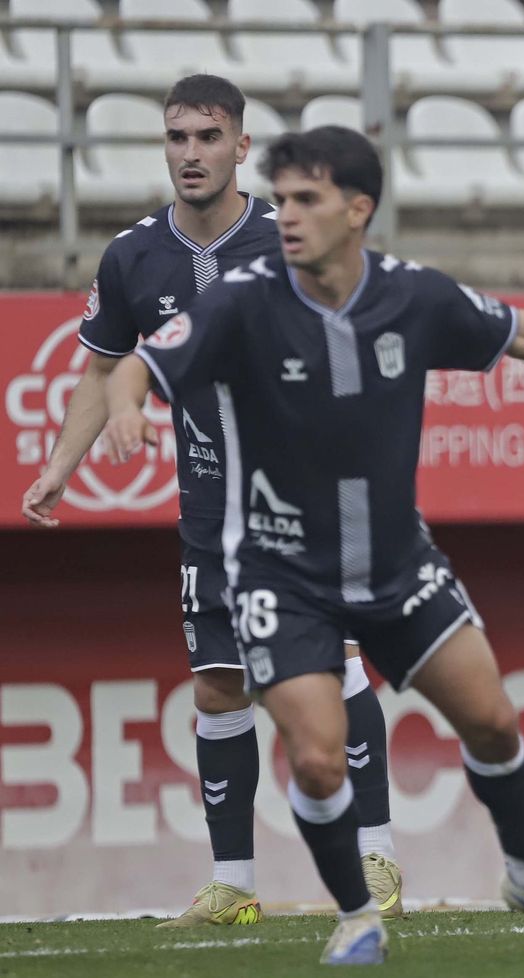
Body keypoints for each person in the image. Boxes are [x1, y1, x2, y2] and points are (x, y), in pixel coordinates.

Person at [102, 126, 524, 963]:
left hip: (397, 565)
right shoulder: (243, 298)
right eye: (283, 198)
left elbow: (523, 332)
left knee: (494, 722)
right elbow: (138, 362)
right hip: (281, 574)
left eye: (307, 199)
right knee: (316, 764)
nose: (287, 216)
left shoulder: (413, 296)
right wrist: (128, 405)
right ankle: (356, 913)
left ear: (359, 209)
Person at [18, 74, 402, 926]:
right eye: (177, 137)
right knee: (219, 683)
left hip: (303, 501)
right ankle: (235, 883)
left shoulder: (288, 235)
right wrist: (60, 467)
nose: (190, 153)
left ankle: (379, 859)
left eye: (207, 137)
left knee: (335, 667)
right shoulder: (132, 257)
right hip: (209, 508)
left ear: (241, 148)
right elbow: (99, 367)